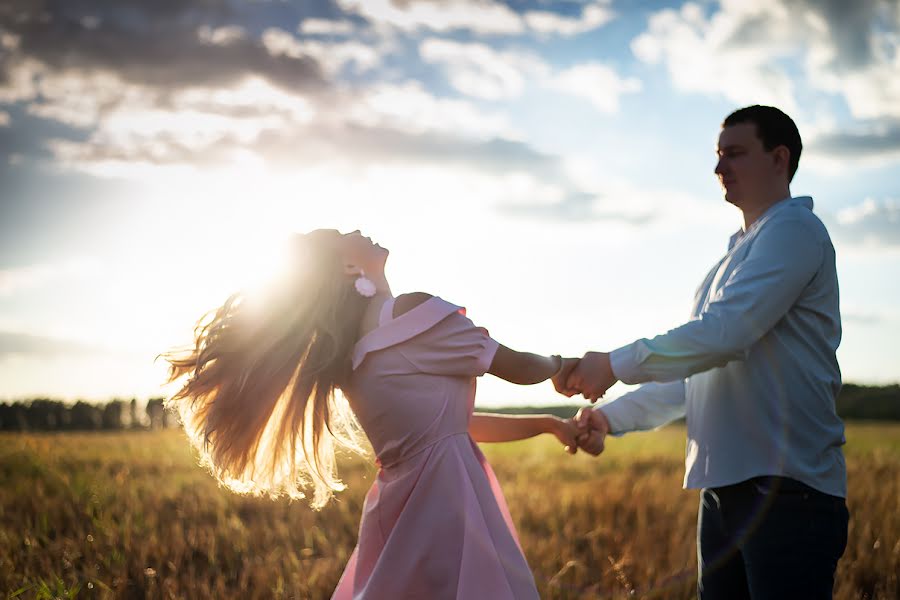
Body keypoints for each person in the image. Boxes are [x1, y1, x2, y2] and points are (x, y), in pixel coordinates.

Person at [162, 228, 581, 599]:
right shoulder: (412, 312)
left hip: (403, 509)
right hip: (448, 504)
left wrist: (546, 424)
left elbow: (453, 429)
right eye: (347, 232)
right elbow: (520, 367)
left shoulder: (350, 356)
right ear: (347, 266)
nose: (359, 230)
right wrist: (563, 365)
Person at [562, 105, 849, 599]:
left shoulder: (795, 231)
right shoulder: (730, 258)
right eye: (718, 156)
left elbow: (725, 334)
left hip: (787, 492)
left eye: (735, 154)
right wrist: (612, 418)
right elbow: (700, 374)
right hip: (723, 494)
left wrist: (611, 364)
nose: (719, 169)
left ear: (779, 158)